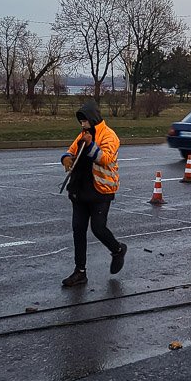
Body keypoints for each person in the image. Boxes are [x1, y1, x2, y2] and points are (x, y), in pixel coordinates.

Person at [61, 100, 126, 287]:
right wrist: (66, 159)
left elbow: (105, 159)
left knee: (98, 228)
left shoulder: (109, 136)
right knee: (78, 230)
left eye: (85, 121)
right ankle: (80, 272)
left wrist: (90, 146)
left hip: (100, 191)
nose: (82, 125)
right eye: (80, 122)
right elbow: (71, 151)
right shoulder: (83, 135)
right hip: (79, 190)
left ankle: (118, 250)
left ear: (93, 119)